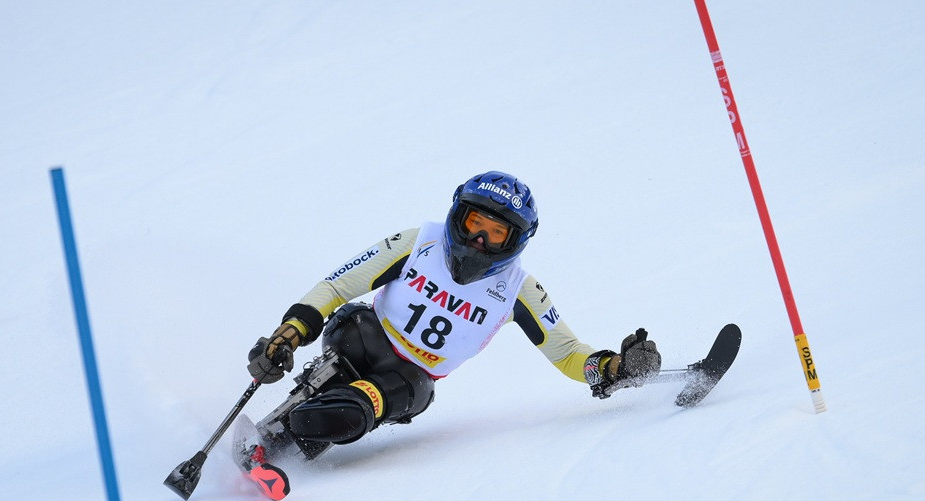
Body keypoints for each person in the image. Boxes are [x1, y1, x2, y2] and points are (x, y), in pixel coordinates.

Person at [244, 170, 661, 463]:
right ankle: (277, 431)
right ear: (457, 213)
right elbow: (338, 286)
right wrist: (290, 333)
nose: (479, 240)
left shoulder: (519, 290)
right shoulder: (418, 242)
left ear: (516, 241)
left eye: (496, 233)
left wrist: (614, 367)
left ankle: (291, 436)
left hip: (410, 378)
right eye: (475, 223)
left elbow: (568, 354)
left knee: (368, 404)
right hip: (362, 336)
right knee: (347, 358)